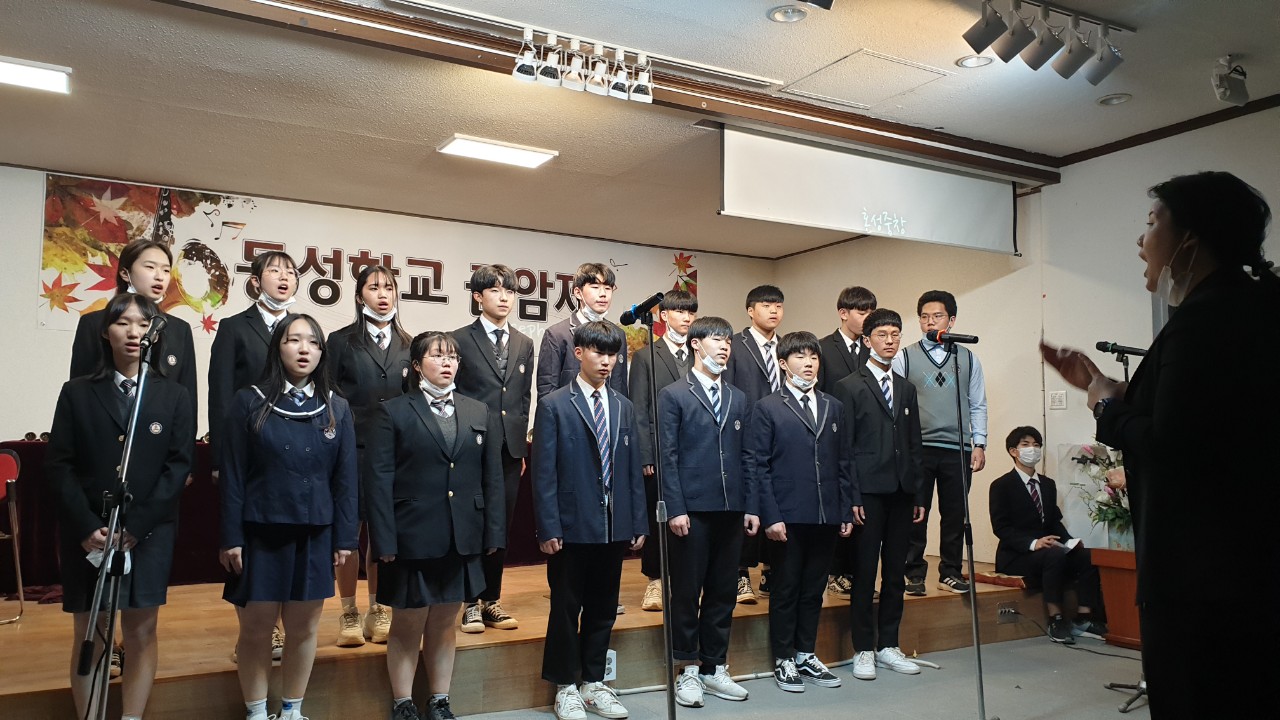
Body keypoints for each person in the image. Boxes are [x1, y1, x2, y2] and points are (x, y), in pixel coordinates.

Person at [1041, 171, 1280, 719]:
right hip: (1244, 566)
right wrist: (1106, 385)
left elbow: (1174, 444)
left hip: (1201, 576)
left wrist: (1105, 408)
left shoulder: (1204, 321)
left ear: (1189, 239)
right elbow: (1204, 414)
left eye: (1152, 223)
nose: (1140, 240)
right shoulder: (1248, 308)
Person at [47, 293, 195, 720]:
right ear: (105, 332)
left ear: (155, 334)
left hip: (147, 533)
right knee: (90, 631)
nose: (134, 332)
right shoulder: (77, 393)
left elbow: (178, 465)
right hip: (89, 532)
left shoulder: (173, 396)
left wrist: (137, 526)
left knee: (142, 630)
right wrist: (85, 526)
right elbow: (59, 464)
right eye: (122, 323)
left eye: (143, 324)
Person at [67, 238, 199, 680]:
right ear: (126, 273)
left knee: (143, 602)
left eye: (165, 268)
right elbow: (84, 400)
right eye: (150, 267)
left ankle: (129, 650)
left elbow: (187, 398)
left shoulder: (178, 330)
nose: (160, 276)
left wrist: (184, 465)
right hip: (104, 478)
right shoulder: (94, 324)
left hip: (154, 478)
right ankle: (107, 649)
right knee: (97, 599)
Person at [219, 314, 358, 720]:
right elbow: (232, 476)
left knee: (303, 629)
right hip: (259, 531)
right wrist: (231, 537)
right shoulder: (248, 401)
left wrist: (345, 539)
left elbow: (346, 480)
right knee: (256, 629)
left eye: (313, 342)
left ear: (322, 352)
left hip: (314, 533)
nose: (304, 349)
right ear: (277, 347)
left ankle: (293, 710)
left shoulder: (337, 407)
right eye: (293, 340)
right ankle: (256, 711)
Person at [366, 331, 506, 720]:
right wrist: (384, 540)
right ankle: (403, 703)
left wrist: (493, 533)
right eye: (437, 356)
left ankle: (439, 700)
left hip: (462, 536)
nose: (447, 363)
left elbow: (492, 479)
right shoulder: (393, 412)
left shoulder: (478, 411)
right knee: (408, 623)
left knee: (445, 622)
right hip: (411, 536)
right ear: (416, 365)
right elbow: (378, 481)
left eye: (452, 357)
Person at [532, 321, 646, 720]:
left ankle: (594, 682)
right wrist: (549, 526)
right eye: (599, 352)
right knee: (566, 607)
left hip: (613, 524)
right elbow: (543, 472)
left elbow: (631, 469)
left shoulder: (623, 406)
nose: (606, 361)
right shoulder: (554, 405)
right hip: (571, 524)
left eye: (613, 354)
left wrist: (638, 521)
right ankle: (565, 686)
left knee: (604, 607)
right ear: (579, 353)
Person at [745, 331, 852, 694]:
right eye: (800, 357)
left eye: (813, 357)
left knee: (814, 589)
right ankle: (784, 658)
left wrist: (844, 510)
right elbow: (759, 466)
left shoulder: (833, 406)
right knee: (786, 588)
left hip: (826, 513)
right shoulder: (767, 407)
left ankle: (806, 653)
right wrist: (771, 516)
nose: (808, 363)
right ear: (783, 363)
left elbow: (843, 462)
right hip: (787, 516)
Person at [657, 316, 751, 708]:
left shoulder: (738, 397)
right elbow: (667, 456)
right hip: (691, 509)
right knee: (686, 591)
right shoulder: (674, 394)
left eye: (728, 340)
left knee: (723, 591)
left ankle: (714, 666)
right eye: (716, 339)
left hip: (731, 507)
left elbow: (747, 456)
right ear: (695, 344)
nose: (725, 346)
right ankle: (687, 669)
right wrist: (675, 507)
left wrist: (750, 506)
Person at [209, 250, 299, 660]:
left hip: (292, 451)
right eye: (275, 271)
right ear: (255, 281)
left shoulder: (299, 330)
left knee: (285, 539)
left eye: (290, 272)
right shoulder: (234, 327)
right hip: (247, 448)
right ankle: (255, 630)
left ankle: (279, 626)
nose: (284, 277)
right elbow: (220, 395)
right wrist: (219, 458)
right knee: (248, 543)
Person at [833, 309, 926, 682]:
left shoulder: (906, 387)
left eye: (895, 334)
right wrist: (851, 495)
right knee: (865, 571)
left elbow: (915, 443)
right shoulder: (848, 386)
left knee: (895, 572)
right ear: (867, 339)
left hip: (902, 491)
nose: (890, 340)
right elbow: (844, 447)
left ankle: (889, 644)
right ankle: (863, 649)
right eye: (882, 334)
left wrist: (919, 494)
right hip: (867, 493)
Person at [327, 264, 414, 647]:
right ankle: (348, 611)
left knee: (382, 536)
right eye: (374, 287)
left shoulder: (410, 344)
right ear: (359, 294)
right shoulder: (340, 341)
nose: (383, 294)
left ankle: (379, 607)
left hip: (394, 454)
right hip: (351, 451)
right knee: (349, 533)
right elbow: (329, 398)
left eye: (389, 287)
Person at [454, 264, 535, 635]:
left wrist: (519, 445)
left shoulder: (524, 342)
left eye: (510, 291)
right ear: (478, 296)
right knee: (473, 524)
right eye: (496, 291)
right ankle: (470, 602)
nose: (504, 298)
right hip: (471, 447)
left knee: (500, 525)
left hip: (508, 451)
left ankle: (492, 600)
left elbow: (522, 399)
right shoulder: (458, 340)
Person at [894, 290, 987, 596]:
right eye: (924, 317)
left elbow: (977, 404)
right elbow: (896, 404)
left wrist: (979, 443)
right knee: (915, 513)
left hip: (958, 449)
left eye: (937, 316)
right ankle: (913, 573)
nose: (930, 322)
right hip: (918, 449)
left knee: (955, 515)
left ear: (952, 320)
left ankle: (950, 572)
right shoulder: (905, 357)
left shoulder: (968, 358)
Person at [989, 426, 1106, 644]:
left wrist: (1070, 542)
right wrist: (1034, 543)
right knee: (1054, 556)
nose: (1032, 449)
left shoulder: (1047, 484)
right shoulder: (1001, 485)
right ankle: (1056, 619)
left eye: (1036, 445)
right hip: (1016, 555)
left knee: (1088, 556)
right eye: (1025, 445)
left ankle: (1084, 617)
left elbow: (1053, 522)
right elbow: (1001, 528)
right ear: (1013, 451)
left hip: (1048, 551)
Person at [629, 289, 698, 612]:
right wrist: (645, 454)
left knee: (690, 516)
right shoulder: (646, 356)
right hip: (658, 449)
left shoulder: (699, 353)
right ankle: (655, 581)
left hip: (694, 451)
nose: (686, 318)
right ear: (664, 315)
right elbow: (638, 408)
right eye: (680, 311)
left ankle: (686, 580)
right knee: (658, 516)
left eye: (691, 312)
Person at [723, 284, 785, 604]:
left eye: (778, 305)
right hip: (745, 433)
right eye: (766, 305)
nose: (773, 310)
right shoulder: (735, 344)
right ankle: (739, 573)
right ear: (750, 311)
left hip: (781, 435)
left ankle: (771, 571)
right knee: (746, 505)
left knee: (776, 501)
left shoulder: (786, 346)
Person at [817, 285, 877, 600]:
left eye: (871, 312)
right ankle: (835, 572)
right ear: (843, 313)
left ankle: (857, 573)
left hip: (866, 441)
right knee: (839, 505)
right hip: (833, 437)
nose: (868, 318)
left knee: (863, 507)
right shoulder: (823, 348)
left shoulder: (873, 348)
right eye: (862, 312)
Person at [536, 262, 630, 401]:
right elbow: (547, 390)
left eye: (608, 288)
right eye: (595, 287)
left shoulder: (618, 334)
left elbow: (620, 385)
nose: (603, 294)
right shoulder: (557, 334)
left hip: (608, 412)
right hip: (570, 412)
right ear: (578, 292)